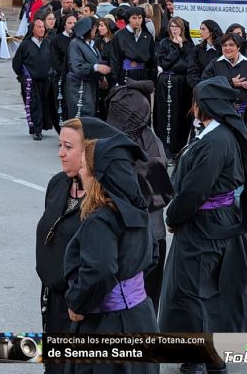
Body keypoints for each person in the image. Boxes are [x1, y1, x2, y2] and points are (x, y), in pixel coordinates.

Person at [159, 76, 247, 374]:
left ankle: (200, 358)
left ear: (206, 106)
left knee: (191, 291)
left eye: (196, 102)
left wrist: (173, 216)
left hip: (204, 224)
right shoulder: (216, 134)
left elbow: (195, 190)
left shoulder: (217, 141)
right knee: (210, 291)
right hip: (215, 221)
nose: (192, 107)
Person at [63, 133, 159, 374]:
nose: (80, 173)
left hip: (107, 324)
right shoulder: (138, 210)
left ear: (100, 176)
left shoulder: (102, 219)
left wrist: (78, 303)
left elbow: (100, 270)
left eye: (84, 167)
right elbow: (152, 255)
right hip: (141, 318)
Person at [36, 117, 123, 374]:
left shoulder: (104, 200)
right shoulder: (57, 184)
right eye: (60, 145)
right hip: (54, 301)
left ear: (89, 151)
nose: (61, 153)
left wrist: (79, 300)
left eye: (68, 147)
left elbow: (106, 264)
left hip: (84, 308)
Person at [106, 79, 173, 313]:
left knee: (130, 306)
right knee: (146, 304)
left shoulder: (123, 149)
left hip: (134, 241)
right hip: (152, 236)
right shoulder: (152, 142)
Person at [154, 17, 194, 159]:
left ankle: (179, 148)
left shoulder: (189, 45)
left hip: (182, 86)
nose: (174, 29)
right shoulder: (164, 43)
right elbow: (163, 63)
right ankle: (165, 149)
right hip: (166, 84)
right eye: (172, 26)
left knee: (180, 115)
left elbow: (187, 65)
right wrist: (176, 51)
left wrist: (182, 48)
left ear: (182, 29)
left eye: (177, 27)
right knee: (165, 116)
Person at [12, 19, 54, 140]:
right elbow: (17, 63)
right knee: (34, 104)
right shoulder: (26, 44)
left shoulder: (48, 43)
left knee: (45, 105)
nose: (42, 29)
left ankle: (40, 126)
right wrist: (22, 77)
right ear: (33, 29)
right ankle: (36, 130)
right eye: (39, 27)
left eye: (43, 27)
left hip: (46, 80)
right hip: (31, 81)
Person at [202, 32, 247, 115]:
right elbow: (205, 85)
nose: (227, 48)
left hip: (246, 111)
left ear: (238, 47)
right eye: (224, 45)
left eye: (231, 45)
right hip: (221, 111)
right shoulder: (214, 64)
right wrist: (230, 83)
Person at [66, 17, 111, 119]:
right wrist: (96, 67)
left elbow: (96, 60)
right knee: (82, 114)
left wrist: (101, 78)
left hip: (91, 85)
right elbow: (77, 66)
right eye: (95, 28)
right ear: (88, 30)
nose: (97, 30)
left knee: (91, 113)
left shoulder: (91, 44)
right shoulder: (75, 44)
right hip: (79, 86)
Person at [111, 7, 157, 85]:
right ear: (128, 19)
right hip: (125, 73)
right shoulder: (119, 35)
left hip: (143, 75)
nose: (137, 21)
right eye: (134, 18)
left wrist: (153, 79)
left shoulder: (147, 36)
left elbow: (152, 59)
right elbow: (115, 58)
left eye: (140, 18)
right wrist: (115, 79)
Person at [50, 14, 77, 127]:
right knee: (63, 105)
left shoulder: (78, 39)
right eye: (69, 23)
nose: (72, 25)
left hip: (77, 78)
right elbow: (55, 60)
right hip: (62, 77)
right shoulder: (57, 39)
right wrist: (65, 72)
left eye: (74, 23)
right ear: (64, 25)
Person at [187, 20, 223, 88]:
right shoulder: (197, 49)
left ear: (211, 31)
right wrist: (199, 86)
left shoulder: (222, 50)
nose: (200, 32)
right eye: (200, 29)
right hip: (201, 89)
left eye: (203, 29)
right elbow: (192, 71)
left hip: (219, 89)